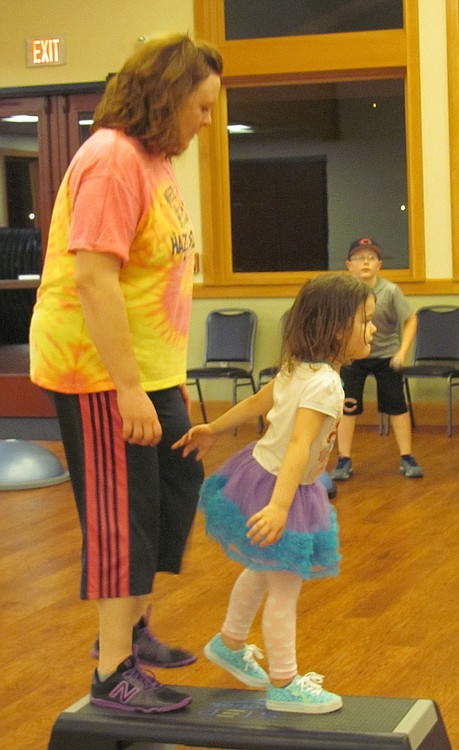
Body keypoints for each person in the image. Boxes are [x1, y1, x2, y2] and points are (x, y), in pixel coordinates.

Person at [29, 33, 222, 713]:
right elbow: (93, 277)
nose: (206, 122)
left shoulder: (155, 160)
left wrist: (155, 378)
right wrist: (129, 386)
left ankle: (132, 631)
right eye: (200, 108)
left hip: (149, 366)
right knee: (121, 515)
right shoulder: (111, 159)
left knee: (175, 479)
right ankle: (113, 672)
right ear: (167, 97)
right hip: (99, 373)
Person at [173, 273, 376, 714]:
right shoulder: (325, 382)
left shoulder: (299, 367)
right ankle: (284, 683)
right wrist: (281, 507)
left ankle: (229, 641)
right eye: (367, 321)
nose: (373, 329)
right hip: (282, 486)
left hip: (262, 472)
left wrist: (215, 426)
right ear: (339, 328)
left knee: (263, 568)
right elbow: (300, 445)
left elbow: (259, 402)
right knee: (285, 587)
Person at [330, 237, 424, 481]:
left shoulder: (391, 291)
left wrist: (402, 352)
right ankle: (344, 459)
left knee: (396, 405)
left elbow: (411, 319)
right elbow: (336, 324)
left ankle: (407, 456)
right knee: (347, 406)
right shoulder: (343, 293)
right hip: (353, 356)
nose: (365, 263)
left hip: (386, 356)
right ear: (349, 265)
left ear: (379, 265)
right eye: (360, 258)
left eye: (371, 258)